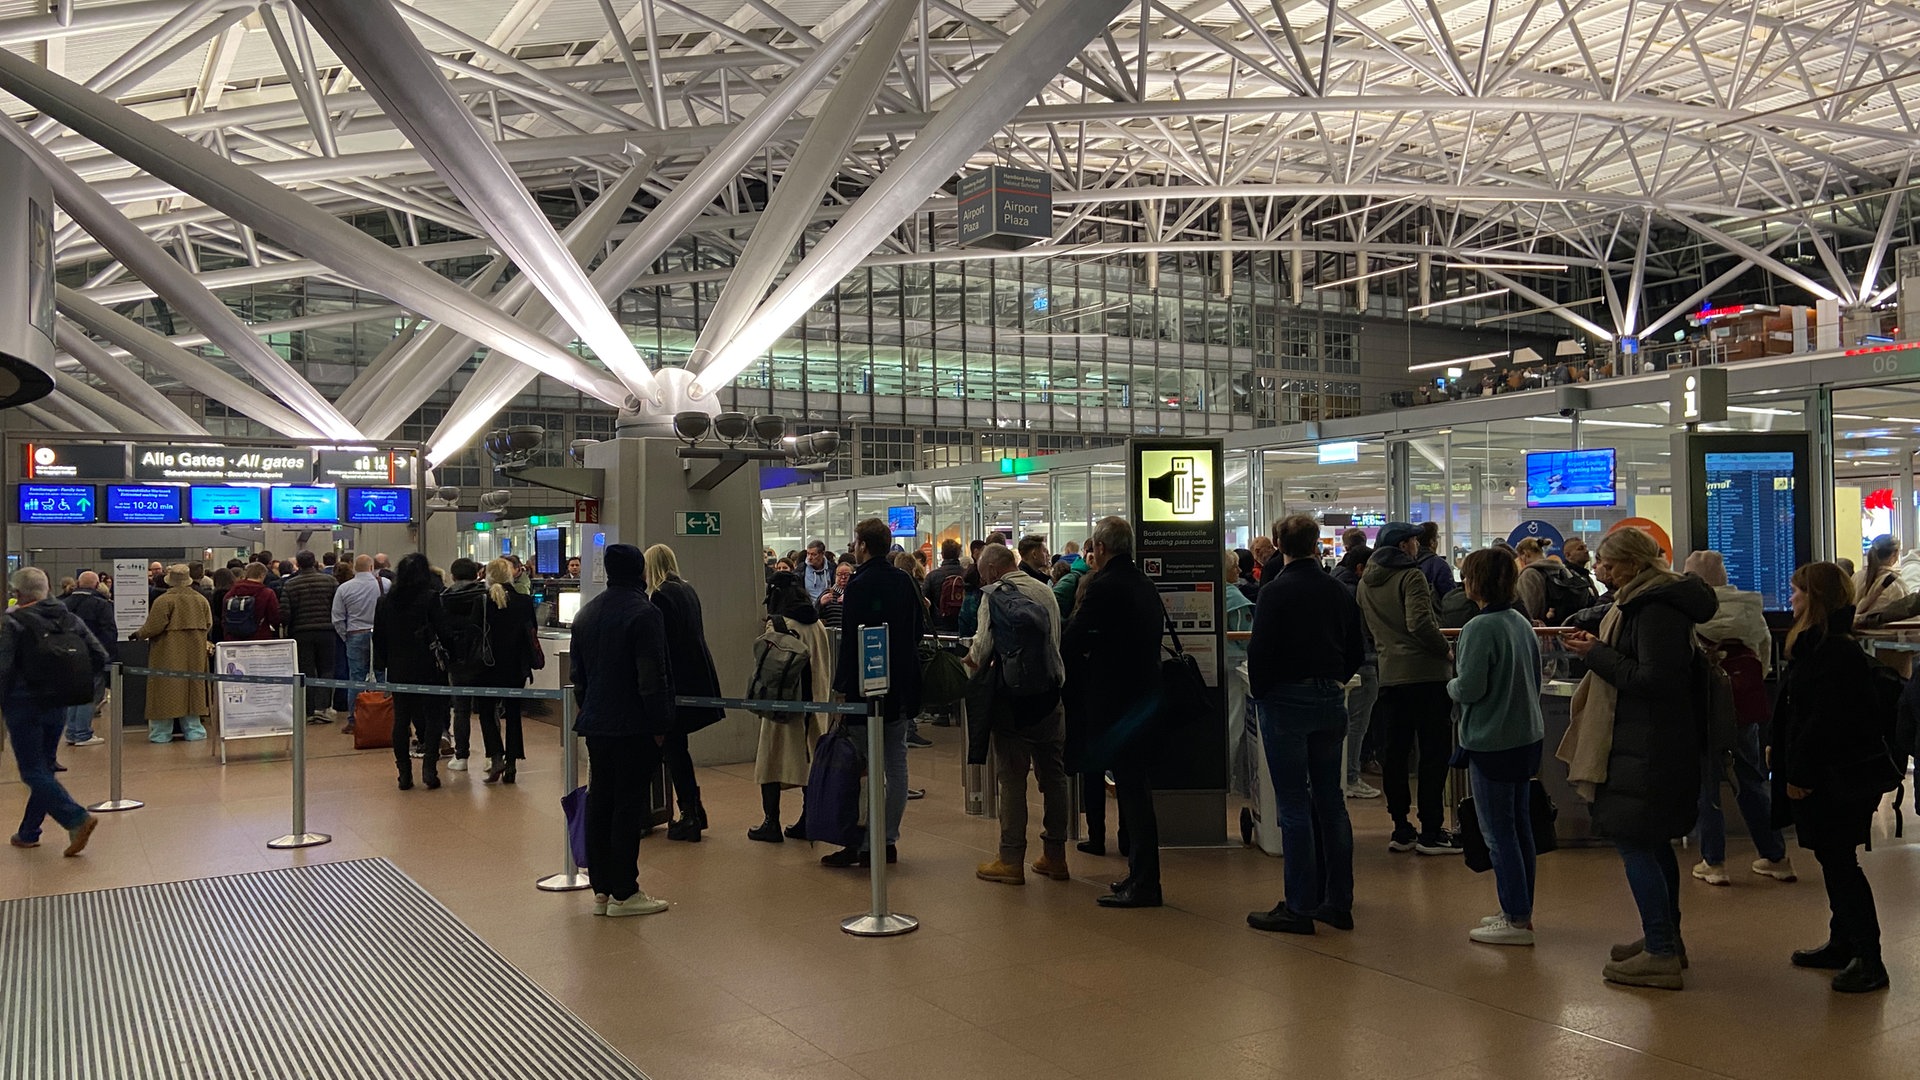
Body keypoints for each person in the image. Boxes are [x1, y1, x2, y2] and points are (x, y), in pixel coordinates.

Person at [1561, 527, 1717, 990]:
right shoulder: (1645, 603)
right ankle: (1663, 937)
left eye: (1608, 563)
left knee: (1635, 843)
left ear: (1632, 565)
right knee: (1651, 843)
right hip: (1647, 743)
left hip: (1648, 746)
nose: (1599, 570)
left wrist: (1598, 655)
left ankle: (1661, 951)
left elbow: (1655, 680)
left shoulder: (1654, 609)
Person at [1771, 562, 1893, 993]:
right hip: (1833, 773)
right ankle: (1844, 943)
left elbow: (1823, 721)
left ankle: (1869, 957)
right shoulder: (1824, 645)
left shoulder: (1832, 651)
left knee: (1841, 864)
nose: (1791, 599)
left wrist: (1798, 772)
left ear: (1816, 598)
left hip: (1832, 777)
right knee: (1834, 860)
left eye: (1797, 592)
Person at [1245, 514, 1366, 934]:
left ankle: (1299, 904)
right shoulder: (1337, 589)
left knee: (1294, 803)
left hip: (1285, 701)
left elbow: (1261, 651)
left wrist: (1263, 693)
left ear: (1280, 544)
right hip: (1330, 699)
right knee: (1331, 801)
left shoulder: (1276, 592)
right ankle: (1338, 901)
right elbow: (1357, 646)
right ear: (1317, 543)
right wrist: (1334, 677)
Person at [1062, 516, 1166, 908]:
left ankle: (1146, 882)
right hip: (1146, 694)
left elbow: (1075, 636)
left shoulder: (1105, 587)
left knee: (1133, 790)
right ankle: (1140, 874)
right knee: (1135, 788)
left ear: (1101, 548)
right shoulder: (1143, 583)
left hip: (1119, 701)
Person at [570, 544, 674, 917]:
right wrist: (660, 723)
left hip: (597, 724)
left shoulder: (586, 614)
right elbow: (652, 676)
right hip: (634, 725)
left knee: (601, 801)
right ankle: (625, 891)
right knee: (629, 806)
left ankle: (601, 889)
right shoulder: (645, 613)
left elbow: (577, 677)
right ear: (640, 572)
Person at [1448, 549, 1545, 946]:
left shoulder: (1478, 628)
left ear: (1476, 581)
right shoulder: (1520, 622)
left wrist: (1450, 682)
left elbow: (1469, 687)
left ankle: (1515, 916)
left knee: (1497, 832)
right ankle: (1520, 909)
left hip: (1492, 739)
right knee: (1521, 827)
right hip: (1526, 736)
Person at [1683, 550, 1793, 886]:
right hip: (1742, 707)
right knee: (1751, 779)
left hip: (1701, 708)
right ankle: (1775, 856)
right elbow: (1763, 660)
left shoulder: (1690, 612)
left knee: (1707, 784)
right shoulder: (1750, 610)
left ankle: (1713, 862)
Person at [966, 543, 1071, 884]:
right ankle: (1055, 856)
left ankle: (1010, 860)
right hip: (1050, 696)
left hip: (1011, 703)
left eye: (983, 575)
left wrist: (965, 667)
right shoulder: (1045, 590)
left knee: (1011, 780)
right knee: (1053, 777)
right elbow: (1055, 642)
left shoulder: (993, 595)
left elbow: (981, 649)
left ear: (994, 571)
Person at [824, 518, 925, 868]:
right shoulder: (905, 581)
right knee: (896, 764)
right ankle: (887, 840)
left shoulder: (859, 584)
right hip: (899, 689)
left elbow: (852, 640)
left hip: (863, 689)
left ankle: (859, 841)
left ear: (863, 546)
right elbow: (916, 632)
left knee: (860, 766)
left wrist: (840, 689)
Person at [1357, 522, 1459, 854]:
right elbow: (1419, 622)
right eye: (1414, 541)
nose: (1418, 546)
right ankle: (1431, 830)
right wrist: (1445, 650)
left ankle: (1401, 827)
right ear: (1404, 546)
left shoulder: (1365, 583)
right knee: (1432, 753)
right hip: (1426, 675)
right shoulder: (1411, 576)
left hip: (1390, 676)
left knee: (1396, 755)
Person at [3, 568, 106, 855]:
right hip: (57, 703)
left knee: (32, 771)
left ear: (18, 593)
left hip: (23, 705)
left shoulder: (13, 623)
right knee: (44, 768)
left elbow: (3, 668)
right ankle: (28, 832)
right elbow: (99, 655)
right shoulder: (68, 618)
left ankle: (76, 817)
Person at [646, 544, 723, 842]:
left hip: (677, 682)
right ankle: (694, 811)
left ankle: (690, 813)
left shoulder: (661, 595)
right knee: (678, 749)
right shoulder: (686, 589)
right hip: (697, 675)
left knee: (673, 750)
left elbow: (664, 645)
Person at [748, 589, 835, 844]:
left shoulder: (777, 624)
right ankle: (808, 820)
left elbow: (766, 666)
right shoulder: (818, 623)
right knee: (808, 762)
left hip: (782, 705)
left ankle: (770, 822)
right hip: (815, 703)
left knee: (771, 761)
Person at [372, 553, 451, 791]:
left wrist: (382, 664)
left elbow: (379, 637)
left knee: (401, 719)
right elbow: (443, 632)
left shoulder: (385, 601)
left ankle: (404, 773)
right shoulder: (430, 598)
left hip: (398, 667)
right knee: (434, 716)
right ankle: (429, 768)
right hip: (428, 666)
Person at [473, 558, 539, 784]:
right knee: (513, 714)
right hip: (516, 666)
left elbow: (475, 633)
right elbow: (532, 632)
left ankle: (496, 756)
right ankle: (512, 763)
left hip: (488, 667)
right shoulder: (524, 601)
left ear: (487, 577)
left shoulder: (482, 602)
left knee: (486, 712)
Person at [132, 565, 212, 743]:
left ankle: (161, 734)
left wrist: (138, 634)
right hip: (195, 651)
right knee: (193, 689)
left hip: (167, 650)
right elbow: (208, 624)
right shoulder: (201, 600)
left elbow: (153, 627)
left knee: (165, 690)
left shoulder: (163, 601)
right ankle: (194, 731)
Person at [1331, 535, 1381, 799]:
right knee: (1357, 724)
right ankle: (1350, 776)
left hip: (1347, 665)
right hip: (1364, 663)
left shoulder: (1335, 585)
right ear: (1360, 568)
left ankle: (1347, 775)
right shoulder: (1356, 592)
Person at [54, 571, 116, 748]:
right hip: (91, 656)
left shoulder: (62, 604)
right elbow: (108, 633)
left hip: (66, 655)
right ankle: (82, 733)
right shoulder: (101, 605)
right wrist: (109, 657)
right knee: (88, 695)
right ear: (97, 585)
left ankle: (72, 731)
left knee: (73, 695)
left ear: (78, 584)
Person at [440, 559, 489, 771]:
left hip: (456, 660)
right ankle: (492, 756)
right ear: (477, 574)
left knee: (460, 710)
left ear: (452, 576)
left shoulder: (443, 599)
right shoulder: (486, 596)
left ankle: (461, 757)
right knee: (488, 710)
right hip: (484, 658)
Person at [332, 554, 387, 734]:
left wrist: (346, 637)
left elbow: (338, 618)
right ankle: (387, 716)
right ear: (372, 568)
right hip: (379, 635)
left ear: (354, 568)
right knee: (382, 675)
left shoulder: (344, 588)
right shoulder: (385, 584)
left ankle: (354, 720)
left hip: (355, 635)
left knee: (355, 678)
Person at [282, 550, 339, 725]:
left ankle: (308, 709)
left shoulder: (290, 585)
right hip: (326, 631)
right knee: (327, 669)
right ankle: (324, 708)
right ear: (315, 562)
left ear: (297, 565)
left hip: (301, 633)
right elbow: (337, 607)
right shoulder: (330, 581)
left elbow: (284, 613)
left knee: (306, 670)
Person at [1223, 550, 1257, 803]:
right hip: (1235, 667)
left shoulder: (1211, 593)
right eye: (1234, 567)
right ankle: (1229, 778)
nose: (1238, 571)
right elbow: (1246, 633)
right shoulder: (1234, 597)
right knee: (1234, 724)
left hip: (1214, 666)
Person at [219, 562, 281, 641]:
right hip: (260, 638)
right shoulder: (267, 593)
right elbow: (274, 617)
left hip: (234, 639)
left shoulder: (231, 593)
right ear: (262, 575)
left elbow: (224, 617)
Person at [1853, 534, 1906, 625]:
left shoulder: (1856, 577)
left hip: (1857, 635)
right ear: (1895, 554)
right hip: (1884, 636)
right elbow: (1906, 615)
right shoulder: (1895, 583)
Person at [924, 539, 967, 631]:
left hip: (939, 625)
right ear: (958, 554)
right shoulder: (966, 574)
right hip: (962, 624)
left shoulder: (932, 576)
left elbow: (924, 601)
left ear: (942, 554)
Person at [1416, 521, 1458, 597]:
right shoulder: (1439, 565)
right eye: (1437, 537)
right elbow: (1449, 596)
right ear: (1432, 542)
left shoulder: (1408, 562)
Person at [817, 561, 852, 629]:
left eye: (847, 574)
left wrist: (850, 599)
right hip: (831, 633)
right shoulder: (827, 593)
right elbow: (813, 614)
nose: (843, 577)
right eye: (839, 574)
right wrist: (820, 603)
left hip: (850, 632)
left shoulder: (856, 593)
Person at [801, 539, 834, 604]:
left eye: (814, 554)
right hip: (809, 609)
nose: (809, 557)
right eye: (808, 554)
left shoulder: (832, 569)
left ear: (822, 554)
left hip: (829, 609)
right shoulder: (801, 570)